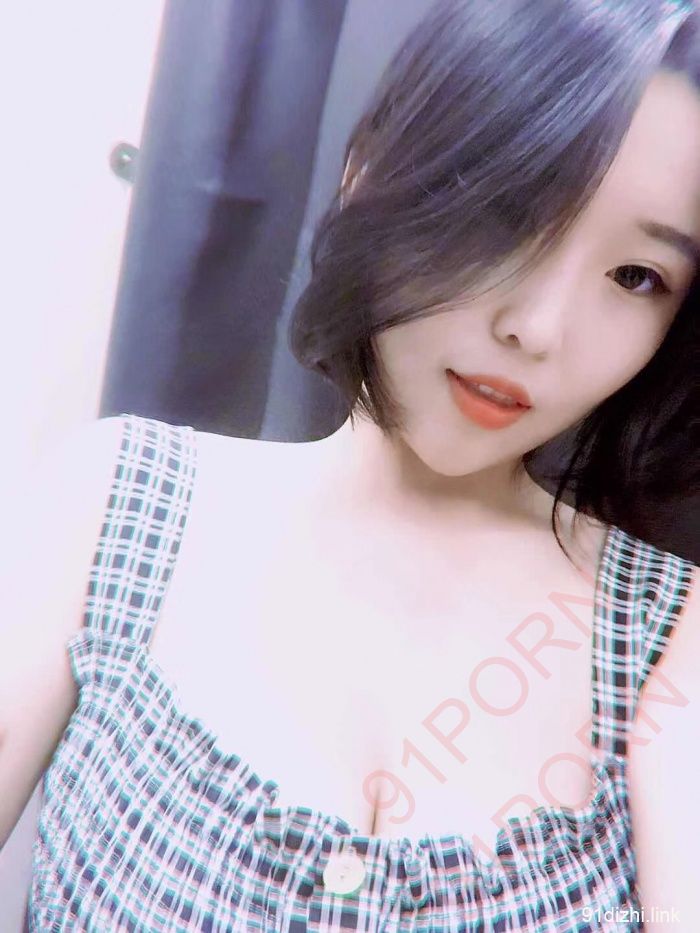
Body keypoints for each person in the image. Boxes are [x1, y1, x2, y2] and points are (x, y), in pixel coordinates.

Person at [2, 0, 699, 929]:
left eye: (635, 277)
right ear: (368, 173)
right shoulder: (118, 505)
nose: (536, 329)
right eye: (507, 214)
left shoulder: (669, 630)